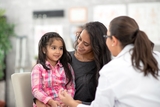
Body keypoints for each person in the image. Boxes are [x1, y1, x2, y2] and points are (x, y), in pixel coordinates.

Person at [59, 16, 160, 107]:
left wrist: (73, 104)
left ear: (114, 40)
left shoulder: (111, 69)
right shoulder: (157, 57)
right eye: (79, 39)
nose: (80, 45)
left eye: (106, 37)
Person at [35, 21, 111, 107]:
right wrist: (39, 101)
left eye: (86, 44)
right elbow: (40, 82)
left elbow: (105, 102)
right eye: (80, 38)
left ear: (97, 46)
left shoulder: (104, 67)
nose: (80, 45)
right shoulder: (63, 58)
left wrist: (78, 104)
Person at [31, 32, 75, 107]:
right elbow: (36, 90)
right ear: (44, 49)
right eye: (53, 48)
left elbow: (71, 87)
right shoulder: (38, 68)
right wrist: (50, 101)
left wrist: (68, 101)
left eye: (60, 48)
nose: (58, 51)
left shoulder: (67, 67)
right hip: (45, 104)